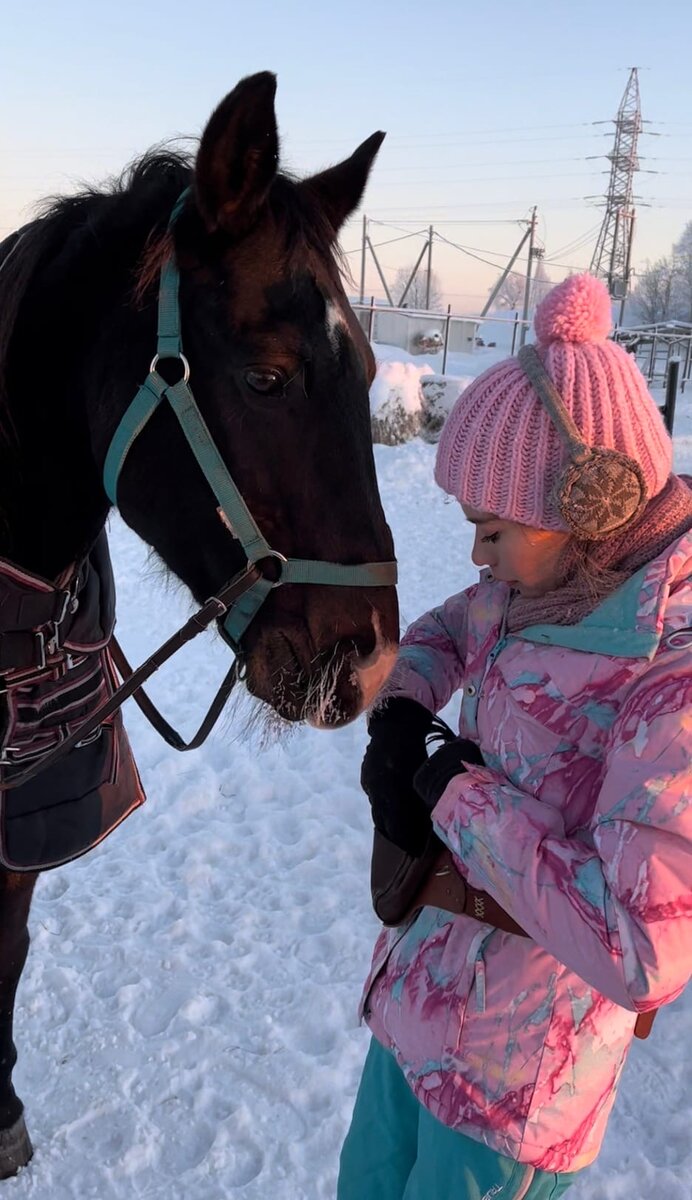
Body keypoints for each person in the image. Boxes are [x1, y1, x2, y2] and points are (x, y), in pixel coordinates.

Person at [337, 273, 692, 1200]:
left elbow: (642, 948)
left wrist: (459, 791)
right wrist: (407, 706)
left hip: (512, 1089)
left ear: (591, 503)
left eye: (492, 530)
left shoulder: (671, 671)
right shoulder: (534, 584)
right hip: (419, 1000)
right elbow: (452, 629)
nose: (476, 556)